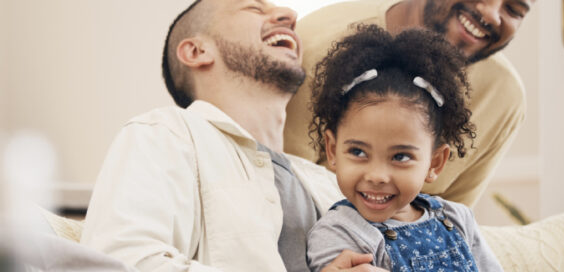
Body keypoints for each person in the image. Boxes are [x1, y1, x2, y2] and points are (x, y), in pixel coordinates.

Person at [79, 0, 377, 271]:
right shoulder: (164, 133)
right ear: (197, 51)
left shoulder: (331, 181)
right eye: (254, 8)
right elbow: (117, 262)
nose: (289, 15)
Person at [285, 0, 536, 207]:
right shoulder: (314, 46)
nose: (491, 14)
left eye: (514, 9)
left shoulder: (503, 96)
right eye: (358, 152)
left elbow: (453, 223)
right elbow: (283, 189)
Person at [306, 25, 502, 271]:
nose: (376, 176)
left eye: (400, 156)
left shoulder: (457, 218)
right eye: (358, 152)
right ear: (332, 150)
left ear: (434, 163)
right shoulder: (339, 233)